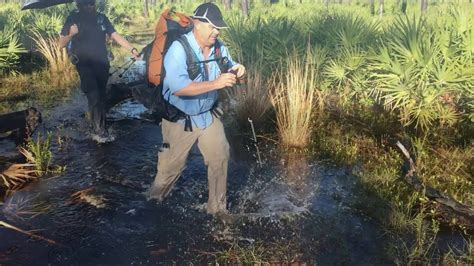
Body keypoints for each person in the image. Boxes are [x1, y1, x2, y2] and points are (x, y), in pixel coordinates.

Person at [147, 3, 246, 217]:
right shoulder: (178, 50)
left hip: (208, 116)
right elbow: (179, 87)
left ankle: (218, 210)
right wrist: (217, 84)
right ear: (197, 24)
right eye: (212, 27)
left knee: (220, 158)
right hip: (179, 120)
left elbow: (229, 66)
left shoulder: (219, 47)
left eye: (219, 28)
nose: (216, 32)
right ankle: (151, 205)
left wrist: (239, 71)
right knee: (170, 171)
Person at [59, 0, 139, 143]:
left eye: (92, 3)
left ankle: (96, 121)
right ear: (79, 5)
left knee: (100, 96)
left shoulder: (101, 18)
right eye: (86, 4)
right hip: (84, 65)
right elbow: (61, 44)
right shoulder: (73, 18)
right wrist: (70, 34)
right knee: (94, 95)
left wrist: (132, 49)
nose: (90, 6)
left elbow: (115, 35)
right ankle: (100, 133)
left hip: (102, 64)